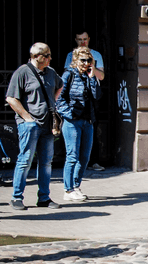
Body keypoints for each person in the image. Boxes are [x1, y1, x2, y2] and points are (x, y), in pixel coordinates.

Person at [6, 43, 63, 211]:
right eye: (47, 55)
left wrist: (52, 103)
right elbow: (11, 98)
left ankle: (44, 197)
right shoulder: (22, 72)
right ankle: (17, 197)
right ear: (37, 57)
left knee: (46, 162)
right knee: (25, 161)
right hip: (30, 125)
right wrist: (27, 118)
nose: (50, 58)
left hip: (47, 125)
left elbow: (60, 85)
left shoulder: (51, 72)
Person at [57, 47, 101, 202]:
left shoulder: (88, 76)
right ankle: (68, 190)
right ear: (75, 60)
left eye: (89, 60)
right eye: (83, 60)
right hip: (72, 122)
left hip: (88, 121)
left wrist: (92, 77)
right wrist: (70, 114)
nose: (86, 63)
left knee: (84, 157)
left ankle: (76, 186)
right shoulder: (68, 75)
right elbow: (58, 98)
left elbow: (97, 96)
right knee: (72, 156)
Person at [65, 31, 105, 171]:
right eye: (79, 39)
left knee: (92, 128)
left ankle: (93, 161)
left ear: (89, 39)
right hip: (75, 99)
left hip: (91, 98)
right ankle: (74, 162)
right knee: (74, 132)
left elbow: (101, 77)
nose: (83, 42)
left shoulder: (96, 55)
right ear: (75, 40)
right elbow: (66, 78)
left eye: (85, 39)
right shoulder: (70, 56)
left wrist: (93, 70)